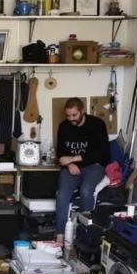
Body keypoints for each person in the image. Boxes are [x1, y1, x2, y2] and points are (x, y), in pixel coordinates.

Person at [55, 97, 111, 245]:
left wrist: (73, 158)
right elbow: (60, 154)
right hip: (72, 167)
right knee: (62, 195)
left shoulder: (97, 125)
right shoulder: (64, 126)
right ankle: (60, 237)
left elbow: (100, 153)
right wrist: (68, 164)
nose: (71, 119)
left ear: (82, 111)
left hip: (95, 166)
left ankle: (83, 235)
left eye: (74, 115)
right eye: (68, 116)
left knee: (86, 191)